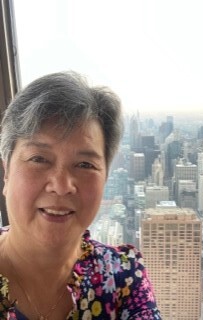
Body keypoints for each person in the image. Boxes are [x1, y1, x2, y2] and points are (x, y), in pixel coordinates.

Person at [0, 71, 162, 320]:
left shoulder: (124, 279)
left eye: (85, 164)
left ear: (105, 177)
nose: (62, 185)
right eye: (39, 159)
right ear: (6, 174)